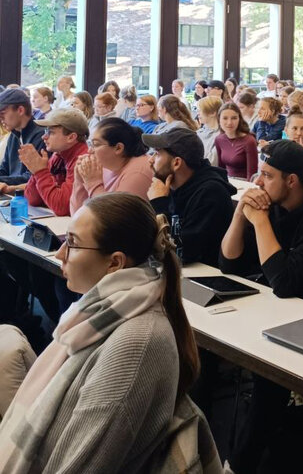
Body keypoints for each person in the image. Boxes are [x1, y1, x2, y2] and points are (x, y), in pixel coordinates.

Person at [0, 192, 205, 472]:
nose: (59, 253)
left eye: (72, 243)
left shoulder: (134, 347)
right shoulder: (94, 316)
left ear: (115, 263)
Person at [219, 140, 303, 473]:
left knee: (271, 390)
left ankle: (240, 463)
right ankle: (241, 462)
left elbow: (286, 282)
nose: (258, 182)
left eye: (267, 175)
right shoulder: (276, 203)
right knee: (267, 387)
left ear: (292, 180)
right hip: (290, 318)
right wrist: (240, 214)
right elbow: (229, 264)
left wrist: (260, 222)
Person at [143, 126, 236, 266]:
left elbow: (181, 252)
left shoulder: (211, 193)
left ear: (176, 163)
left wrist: (160, 204)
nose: (151, 160)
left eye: (157, 154)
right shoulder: (172, 187)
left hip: (204, 273)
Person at [70, 118, 154, 214]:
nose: (90, 151)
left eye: (96, 144)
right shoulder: (105, 165)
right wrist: (79, 180)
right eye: (90, 144)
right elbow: (77, 215)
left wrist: (94, 184)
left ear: (118, 148)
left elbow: (115, 218)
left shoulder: (138, 172)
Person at [21, 108, 89, 216]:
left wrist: (40, 172)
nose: (44, 137)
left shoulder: (83, 160)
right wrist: (36, 171)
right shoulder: (58, 155)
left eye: (50, 132)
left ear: (71, 137)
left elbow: (62, 207)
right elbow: (31, 199)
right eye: (45, 131)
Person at [0, 89, 47, 194]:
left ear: (20, 110)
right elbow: (4, 169)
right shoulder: (14, 135)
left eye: (2, 114)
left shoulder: (42, 136)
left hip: (27, 197)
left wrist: (5, 183)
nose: (1, 119)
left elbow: (32, 177)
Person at [214, 102, 258, 180]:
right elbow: (221, 169)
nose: (229, 123)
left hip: (244, 182)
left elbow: (252, 175)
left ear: (239, 119)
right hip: (227, 181)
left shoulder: (249, 141)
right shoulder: (219, 139)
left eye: (234, 118)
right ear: (219, 119)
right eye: (225, 118)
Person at [196, 96, 222, 167]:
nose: (198, 114)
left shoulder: (221, 136)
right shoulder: (198, 133)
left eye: (200, 111)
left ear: (213, 113)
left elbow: (212, 162)